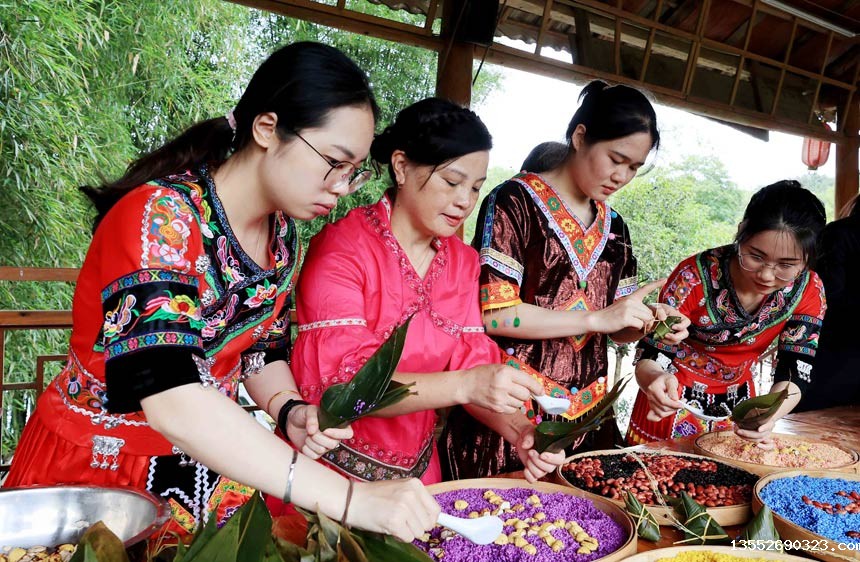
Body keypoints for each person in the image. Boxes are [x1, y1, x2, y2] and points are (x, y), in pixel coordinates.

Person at [4, 42, 439, 545]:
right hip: (101, 476)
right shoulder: (161, 218)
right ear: (267, 129)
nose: (343, 187)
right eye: (334, 163)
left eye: (355, 171)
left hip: (207, 468)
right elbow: (173, 397)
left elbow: (259, 349)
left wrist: (290, 410)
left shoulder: (282, 238)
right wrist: (349, 498)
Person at [282, 98, 566, 490]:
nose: (465, 201)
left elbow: (471, 360)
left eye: (476, 188)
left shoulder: (463, 263)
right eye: (452, 182)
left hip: (418, 479)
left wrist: (520, 431)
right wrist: (466, 384)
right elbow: (346, 384)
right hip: (327, 478)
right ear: (401, 166)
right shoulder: (342, 246)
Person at [441, 81, 689, 480]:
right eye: (616, 158)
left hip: (587, 419)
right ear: (579, 136)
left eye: (634, 167)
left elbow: (619, 331)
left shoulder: (615, 228)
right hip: (511, 411)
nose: (622, 176)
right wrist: (595, 319)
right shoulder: (513, 202)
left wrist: (650, 319)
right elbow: (496, 316)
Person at [626, 180, 827, 447]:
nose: (767, 275)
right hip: (670, 396)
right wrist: (654, 378)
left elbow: (796, 370)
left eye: (786, 265)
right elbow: (653, 352)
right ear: (741, 232)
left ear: (808, 259)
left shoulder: (808, 289)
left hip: (743, 407)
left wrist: (769, 415)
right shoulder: (694, 277)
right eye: (756, 256)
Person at [795, 194, 860, 411]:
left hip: (834, 359)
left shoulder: (839, 234)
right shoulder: (840, 235)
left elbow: (823, 294)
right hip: (839, 354)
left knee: (810, 435)